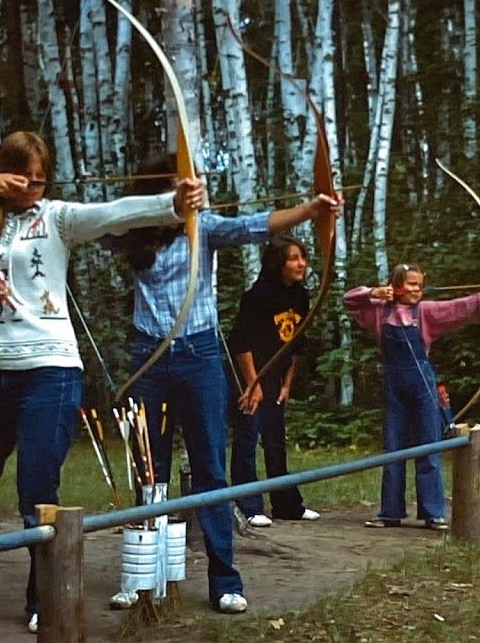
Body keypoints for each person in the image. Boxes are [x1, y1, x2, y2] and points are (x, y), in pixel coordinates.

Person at [0, 132, 203, 634]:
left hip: (51, 373)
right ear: (5, 174)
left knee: (37, 491)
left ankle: (44, 598)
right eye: (24, 178)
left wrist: (173, 203)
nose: (34, 188)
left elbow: (117, 212)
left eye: (41, 180)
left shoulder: (58, 218)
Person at [106, 155, 341, 614]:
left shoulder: (206, 228)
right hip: (149, 359)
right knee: (149, 473)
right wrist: (162, 206)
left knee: (210, 467)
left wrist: (312, 210)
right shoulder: (135, 235)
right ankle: (140, 578)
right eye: (183, 184)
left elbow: (258, 224)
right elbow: (98, 224)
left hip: (199, 357)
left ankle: (224, 580)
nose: (195, 190)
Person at [343, 264, 480, 531]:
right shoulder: (378, 311)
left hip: (423, 387)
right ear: (395, 286)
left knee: (430, 446)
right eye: (411, 284)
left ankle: (433, 513)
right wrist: (373, 291)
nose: (418, 290)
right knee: (393, 448)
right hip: (394, 388)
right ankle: (390, 512)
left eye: (420, 285)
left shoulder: (427, 312)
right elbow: (349, 300)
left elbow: (460, 307)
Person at [228, 235, 321, 528]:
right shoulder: (257, 296)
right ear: (278, 262)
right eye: (294, 258)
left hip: (276, 376)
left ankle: (286, 504)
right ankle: (249, 505)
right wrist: (252, 385)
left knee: (275, 440)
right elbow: (240, 342)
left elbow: (296, 344)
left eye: (303, 258)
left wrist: (287, 383)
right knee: (247, 438)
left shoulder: (300, 296)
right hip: (250, 374)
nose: (301, 264)